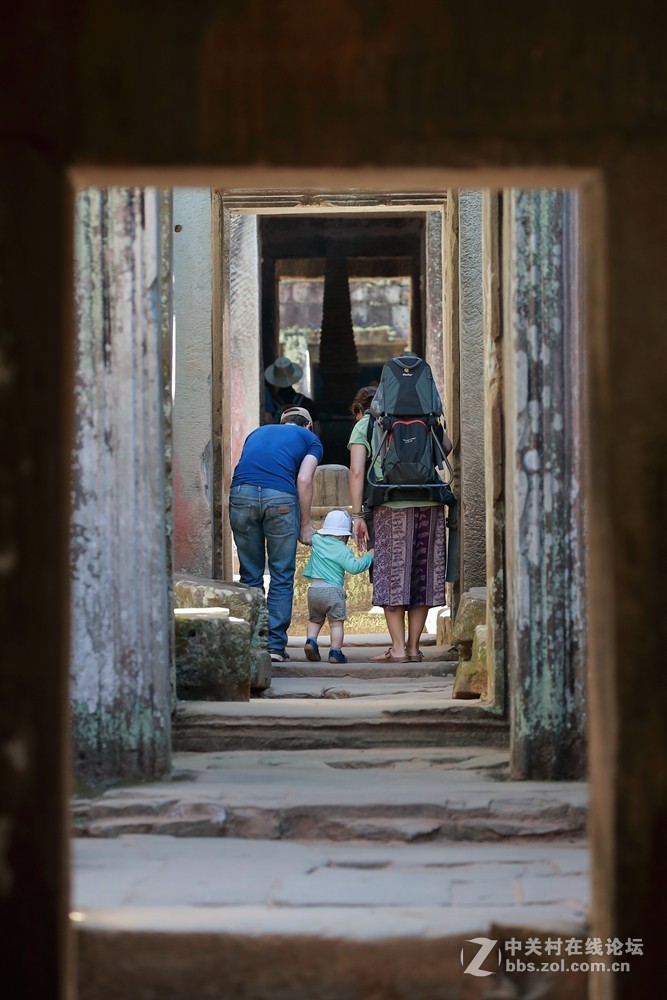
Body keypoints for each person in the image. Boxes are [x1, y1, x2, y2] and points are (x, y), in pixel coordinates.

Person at [347, 384, 452, 664]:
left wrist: (357, 516)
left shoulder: (367, 423)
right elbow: (447, 447)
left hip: (390, 504)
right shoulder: (425, 417)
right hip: (430, 501)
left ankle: (397, 649)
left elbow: (357, 471)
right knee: (423, 575)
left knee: (393, 576)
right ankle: (414, 648)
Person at [229, 405, 323, 662]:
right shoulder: (310, 439)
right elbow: (304, 479)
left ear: (283, 423)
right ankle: (274, 647)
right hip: (280, 498)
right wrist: (305, 526)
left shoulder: (256, 432)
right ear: (308, 426)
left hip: (241, 495)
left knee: (250, 574)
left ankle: (253, 643)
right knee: (281, 574)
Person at [302, 509, 374, 664]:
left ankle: (311, 641)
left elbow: (307, 537)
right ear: (343, 536)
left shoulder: (317, 541)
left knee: (315, 620)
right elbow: (354, 568)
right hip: (333, 591)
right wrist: (369, 556)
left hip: (314, 589)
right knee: (336, 624)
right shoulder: (343, 549)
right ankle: (335, 652)